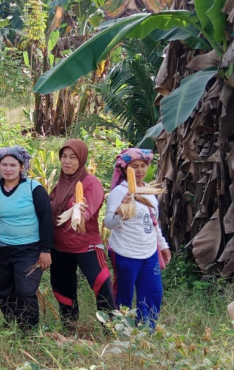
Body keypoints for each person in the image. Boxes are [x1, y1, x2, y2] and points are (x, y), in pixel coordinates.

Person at [0, 146, 53, 330]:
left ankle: (28, 329)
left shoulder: (34, 188)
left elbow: (46, 219)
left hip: (29, 249)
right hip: (1, 248)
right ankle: (10, 325)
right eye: (4, 165)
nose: (8, 169)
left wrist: (45, 250)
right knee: (4, 289)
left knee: (25, 290)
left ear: (21, 167)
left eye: (13, 165)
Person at [49, 140, 115, 327]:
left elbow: (89, 208)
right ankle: (70, 325)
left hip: (87, 246)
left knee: (101, 283)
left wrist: (80, 216)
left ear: (82, 159)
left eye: (73, 157)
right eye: (64, 156)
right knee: (62, 287)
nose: (67, 161)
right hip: (60, 246)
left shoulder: (91, 183)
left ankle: (110, 327)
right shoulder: (60, 184)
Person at [104, 148, 171, 329]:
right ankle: (121, 330)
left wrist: (163, 245)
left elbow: (153, 221)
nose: (140, 170)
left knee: (153, 293)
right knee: (124, 295)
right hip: (125, 252)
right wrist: (122, 210)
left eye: (143, 165)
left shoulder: (148, 190)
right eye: (134, 167)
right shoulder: (119, 192)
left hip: (149, 252)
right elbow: (109, 223)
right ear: (125, 169)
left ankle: (146, 331)